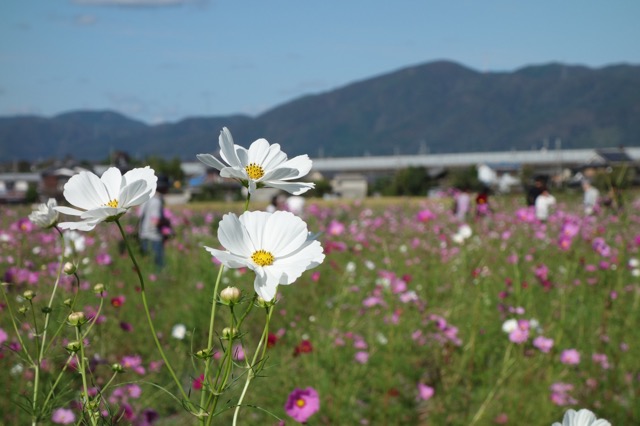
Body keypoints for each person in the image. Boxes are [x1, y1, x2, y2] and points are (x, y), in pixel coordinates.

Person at [139, 175, 170, 269]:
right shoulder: (157, 202)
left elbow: (140, 215)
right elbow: (155, 222)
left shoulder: (146, 199)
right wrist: (166, 222)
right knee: (158, 266)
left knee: (148, 265)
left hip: (143, 235)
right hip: (154, 238)